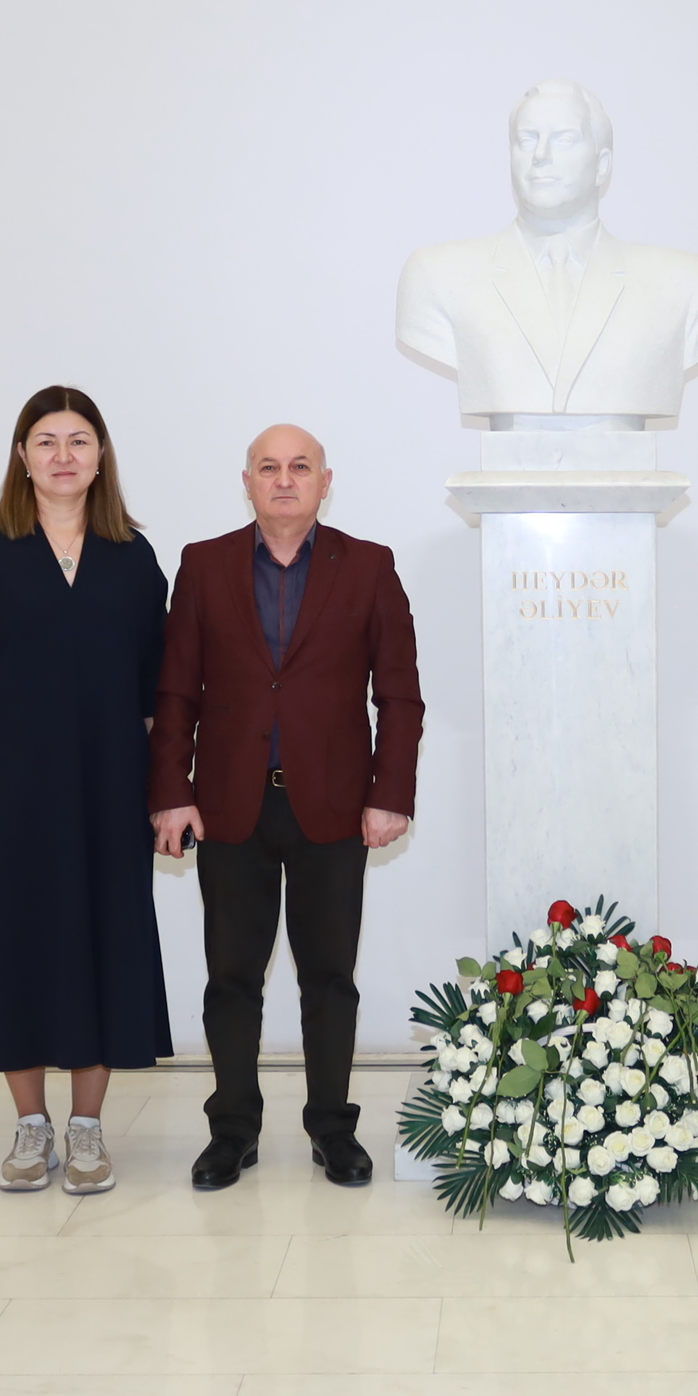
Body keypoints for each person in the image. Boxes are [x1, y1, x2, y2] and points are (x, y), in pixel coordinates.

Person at [150, 425, 424, 1189]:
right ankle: (232, 1130)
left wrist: (390, 795)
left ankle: (333, 1128)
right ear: (247, 481)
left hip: (334, 809)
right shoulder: (203, 565)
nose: (283, 479)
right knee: (231, 978)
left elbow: (399, 695)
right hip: (228, 806)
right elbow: (176, 692)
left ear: (324, 482)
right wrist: (171, 792)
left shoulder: (368, 566)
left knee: (329, 978)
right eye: (268, 467)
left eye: (299, 467)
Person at [0, 386, 171, 1197]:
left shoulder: (134, 558)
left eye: (79, 440)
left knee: (104, 942)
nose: (64, 455)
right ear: (22, 457)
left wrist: (164, 788)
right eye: (47, 440)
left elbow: (155, 694)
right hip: (2, 793)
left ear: (101, 457)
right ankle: (31, 1124)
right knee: (16, 946)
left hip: (108, 790)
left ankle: (87, 1127)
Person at [396, 78, 698, 426]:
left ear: (602, 165)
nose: (540, 156)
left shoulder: (685, 285)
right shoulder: (437, 277)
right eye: (527, 139)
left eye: (564, 139)